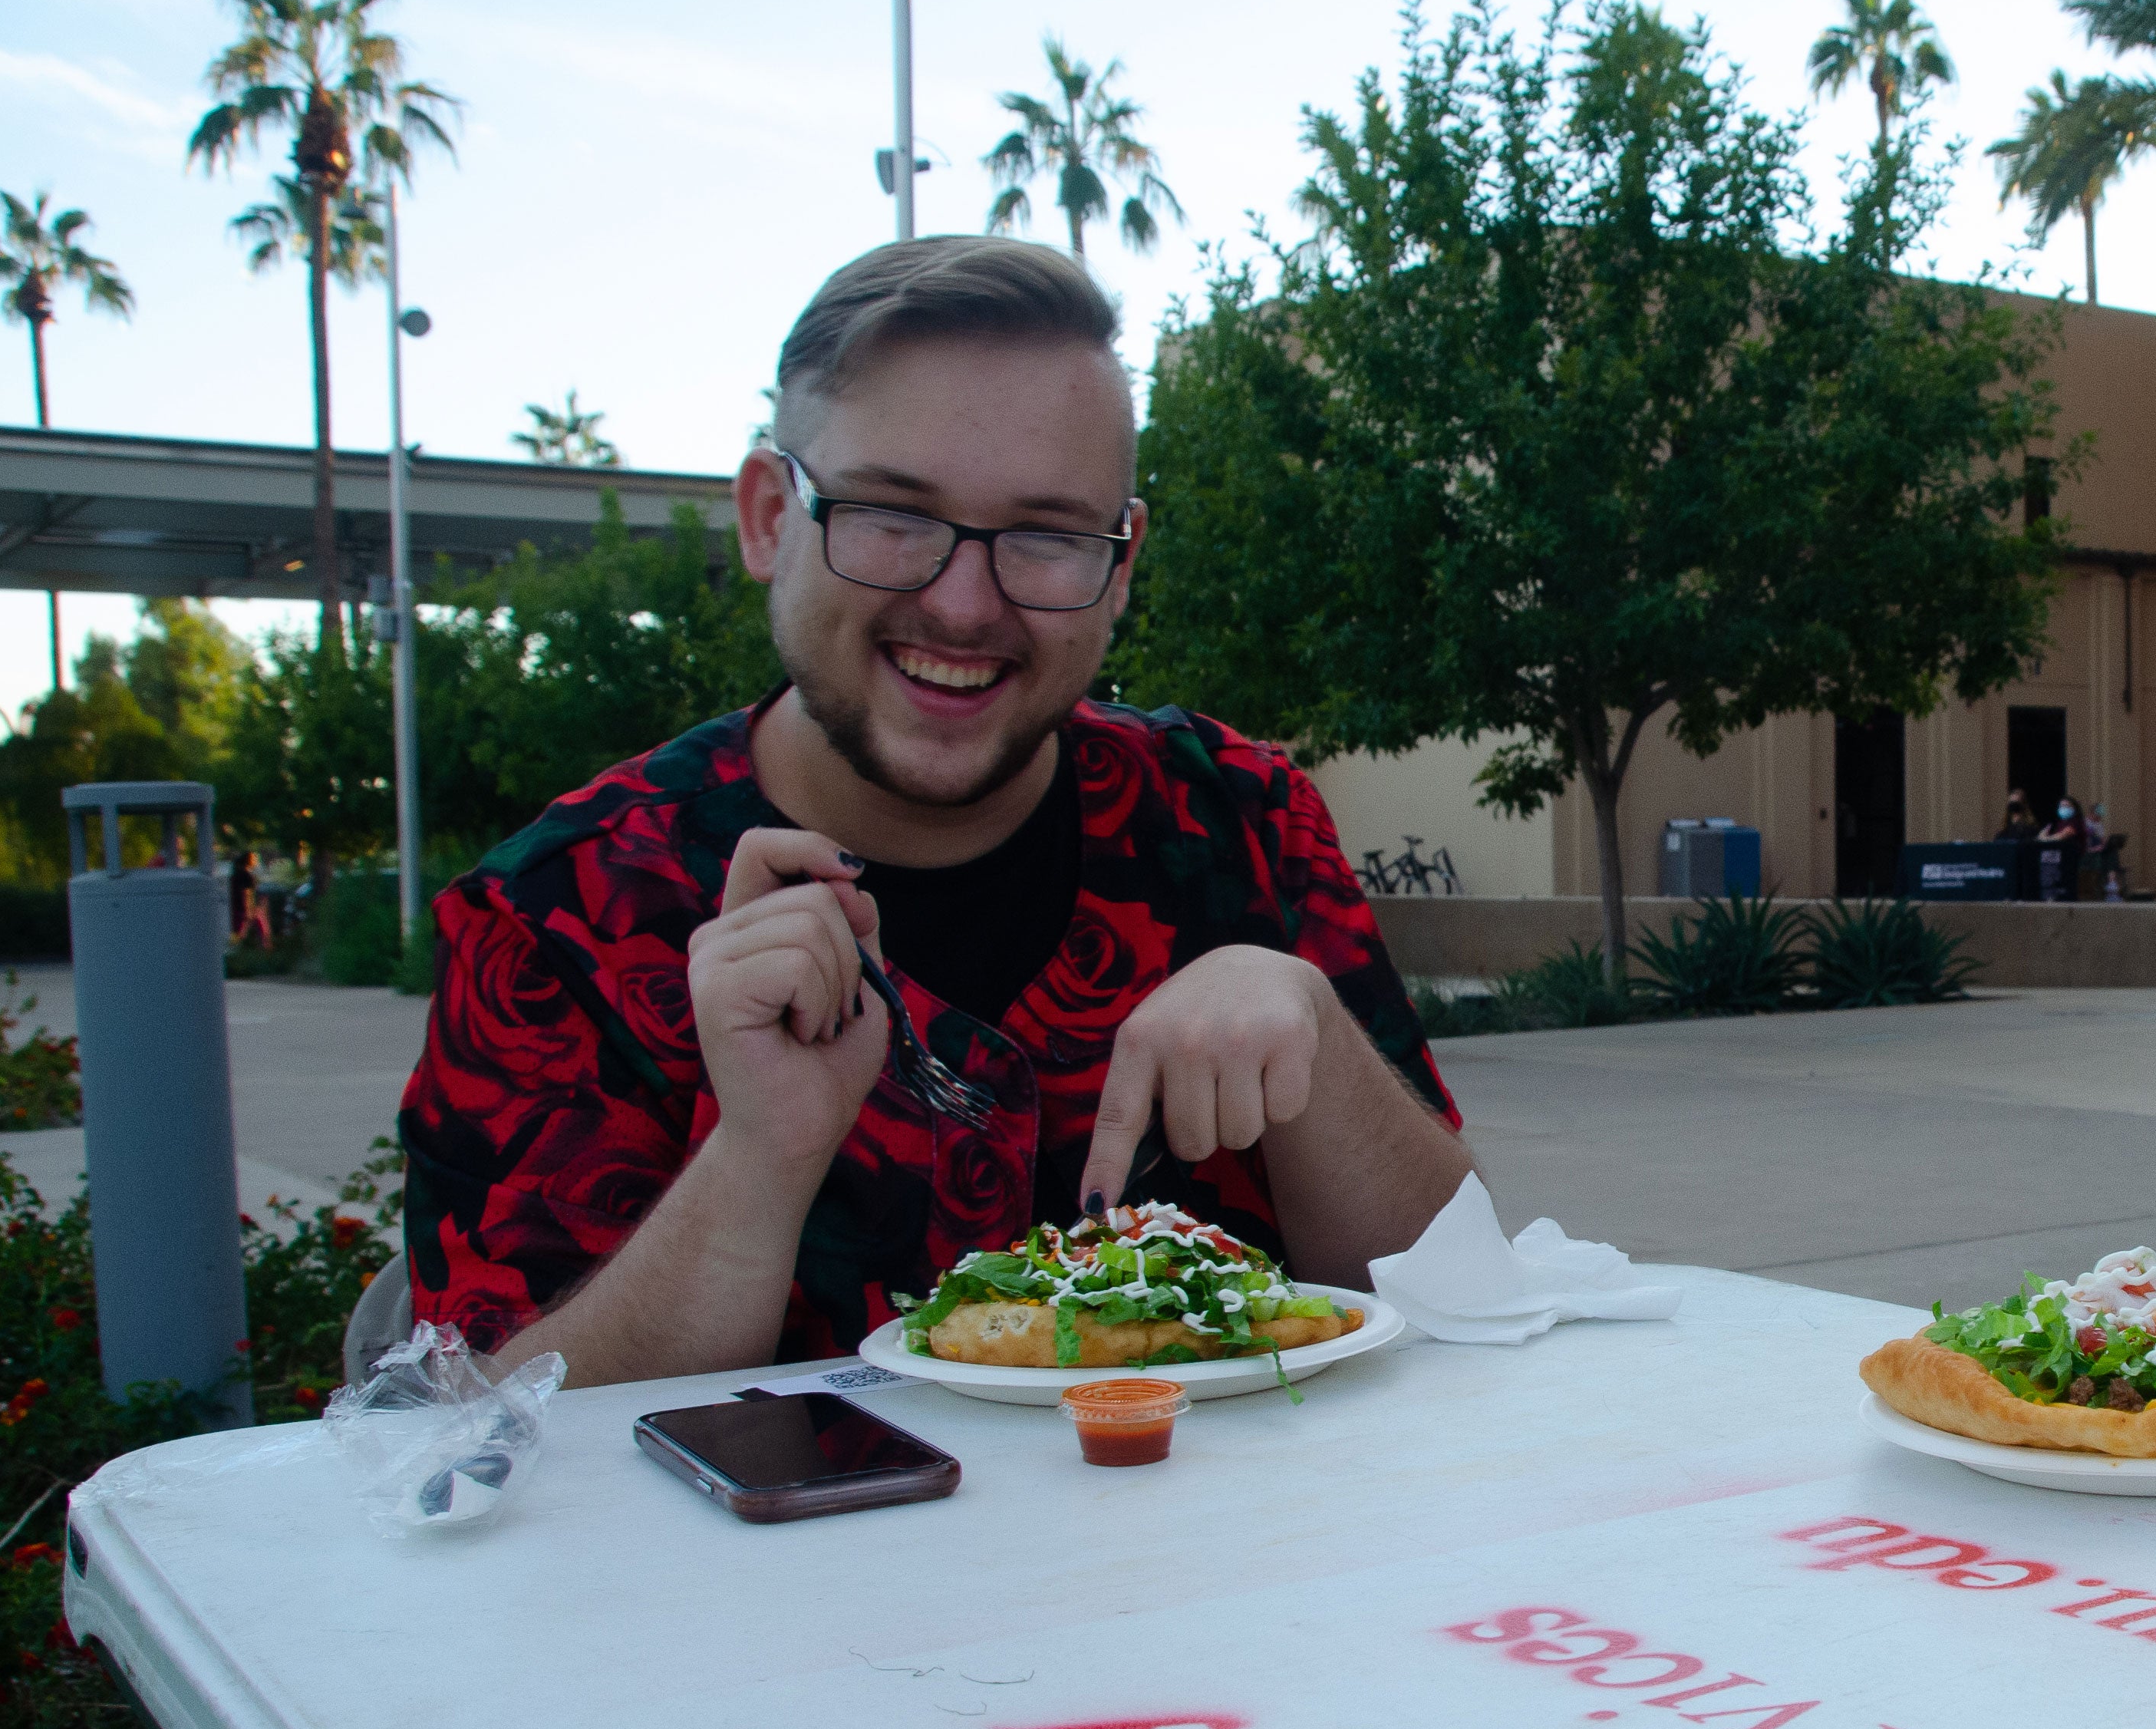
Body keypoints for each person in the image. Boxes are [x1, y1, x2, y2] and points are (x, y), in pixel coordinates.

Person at [399, 238, 1474, 1387]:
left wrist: (1317, 1033)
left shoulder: (1243, 821)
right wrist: (757, 1160)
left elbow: (1465, 1307)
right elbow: (477, 1446)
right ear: (770, 517)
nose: (964, 605)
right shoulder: (557, 918)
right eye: (892, 518)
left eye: (1047, 536)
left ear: (1118, 565)